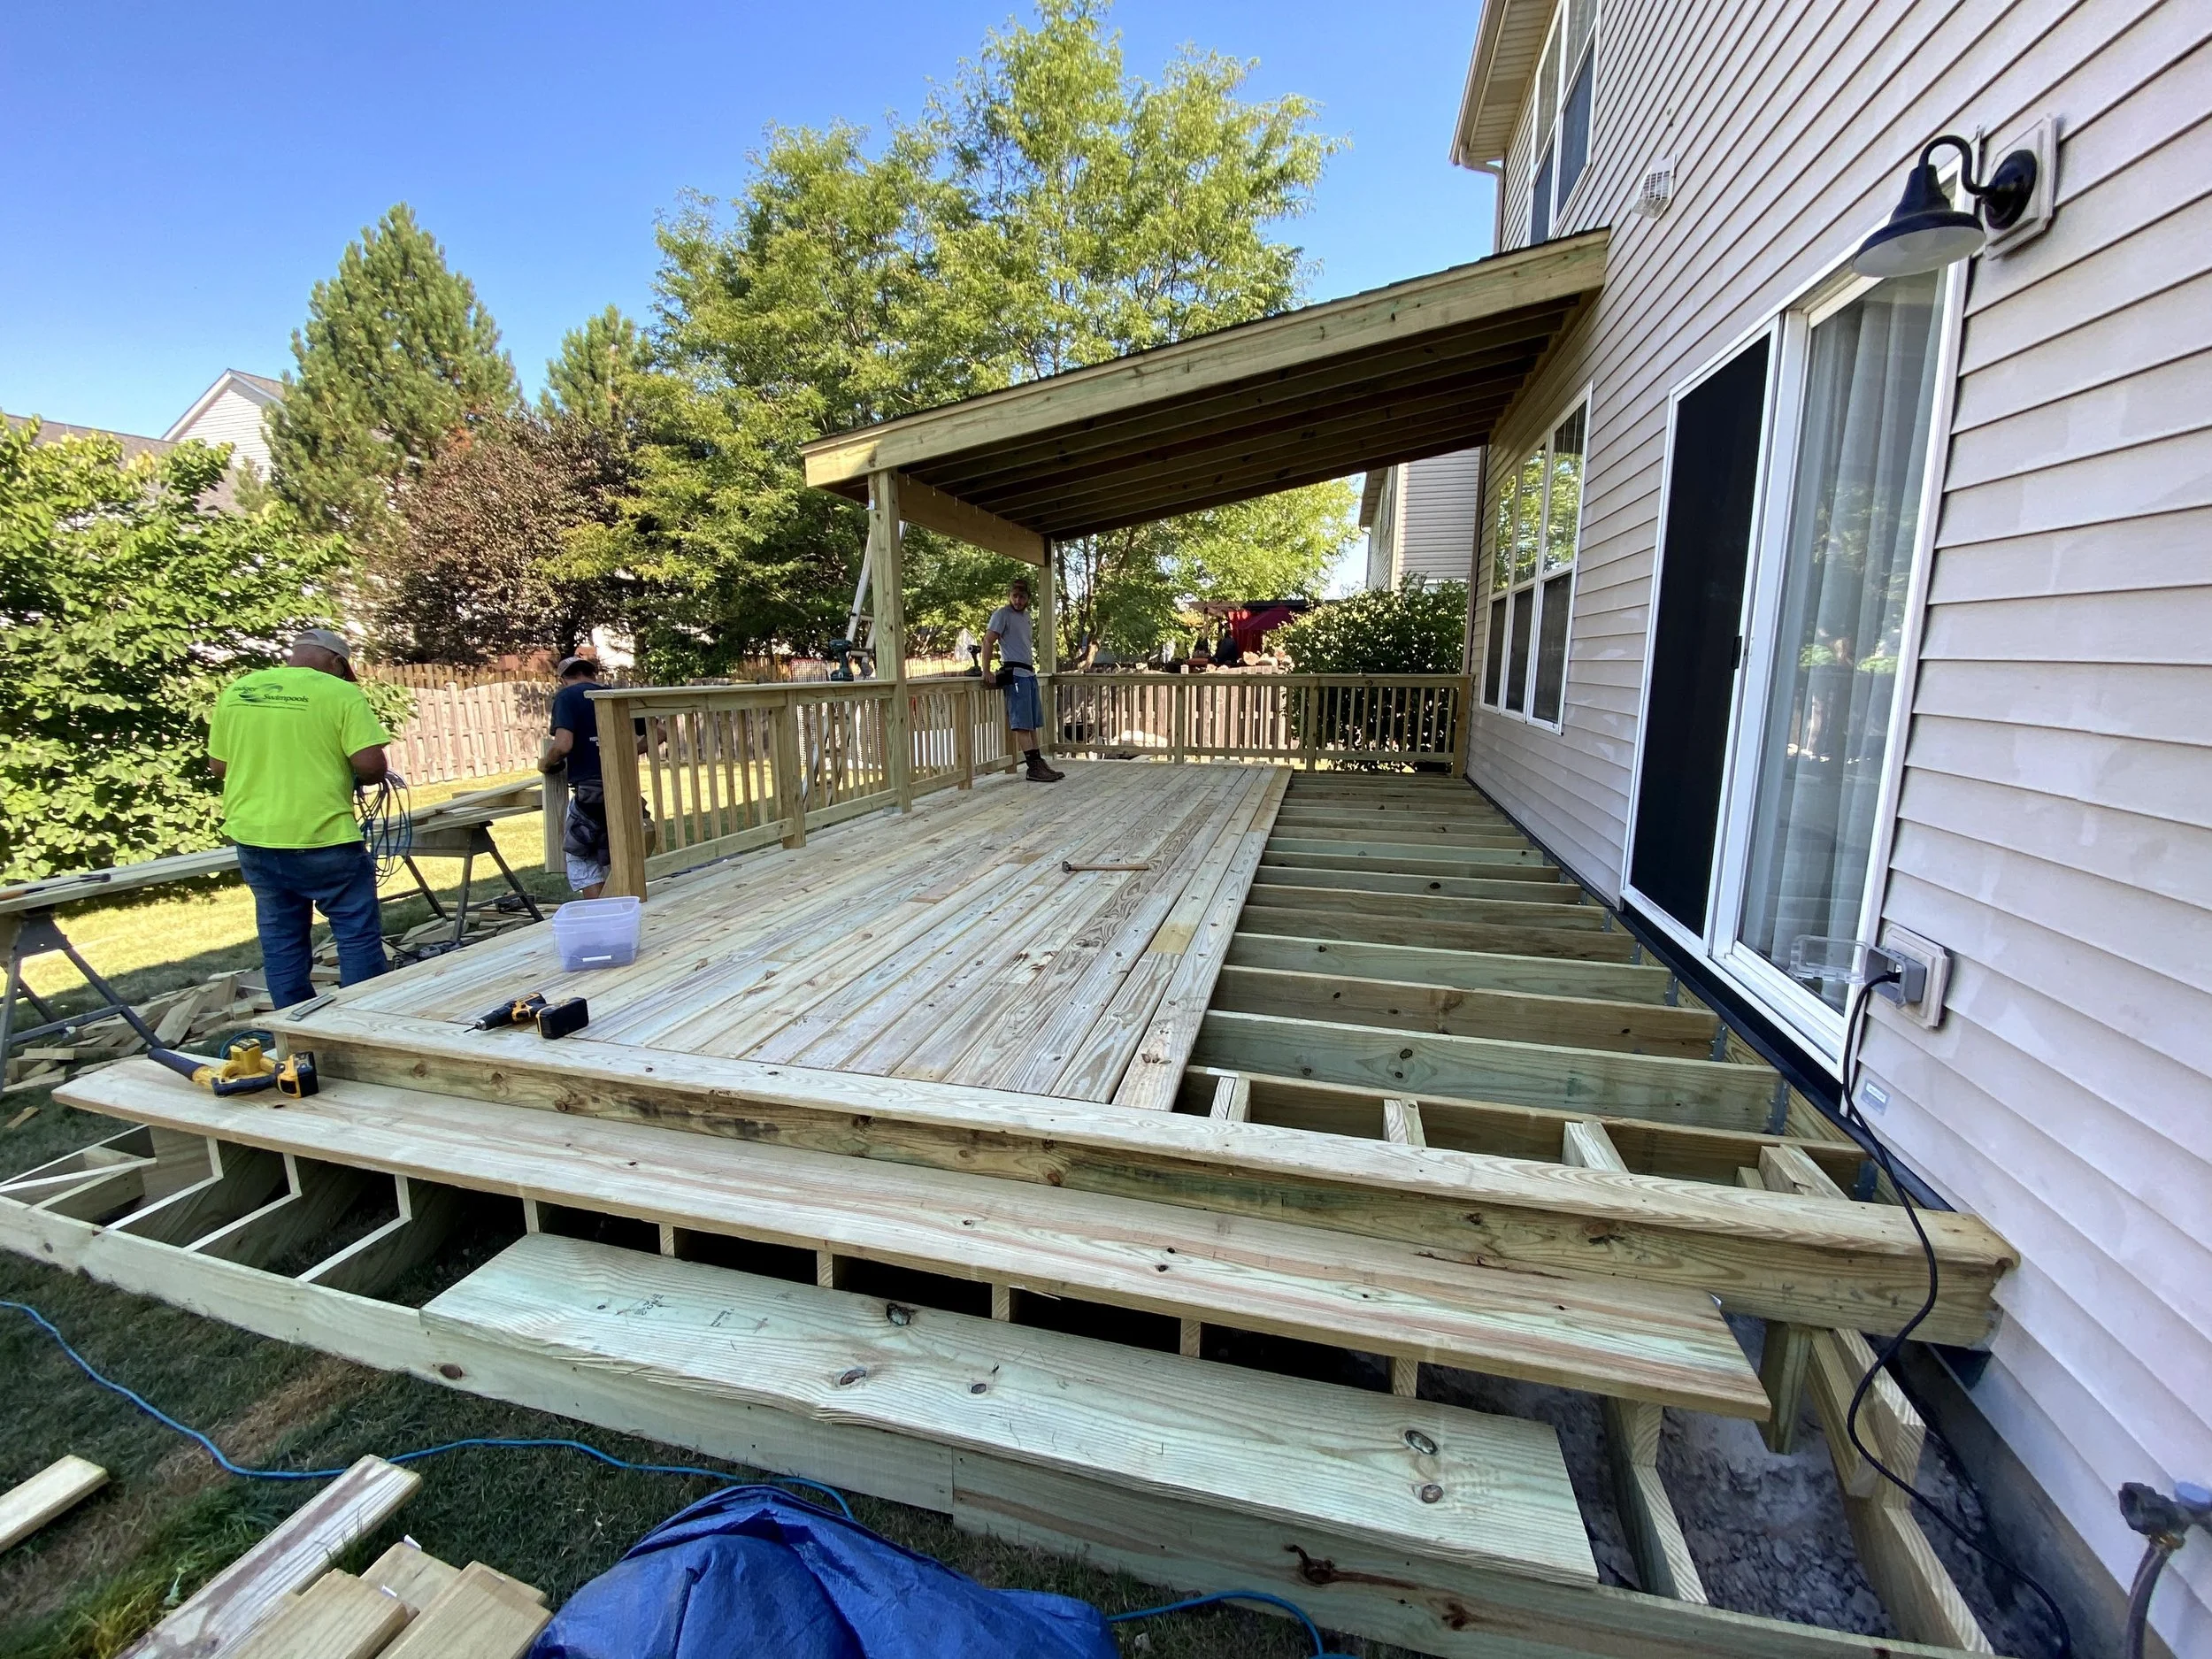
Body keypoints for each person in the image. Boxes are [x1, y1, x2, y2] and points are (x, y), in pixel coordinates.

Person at [207, 628, 393, 1010]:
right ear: (337, 662)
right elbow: (371, 767)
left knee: (281, 939)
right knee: (355, 934)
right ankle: (363, 1020)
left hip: (256, 838)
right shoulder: (340, 693)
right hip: (324, 837)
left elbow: (219, 766)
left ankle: (295, 1026)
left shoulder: (239, 690)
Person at [541, 655, 611, 896]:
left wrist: (546, 763)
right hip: (624, 789)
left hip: (591, 794)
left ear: (562, 679)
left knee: (581, 855)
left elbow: (562, 746)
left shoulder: (567, 697)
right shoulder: (613, 695)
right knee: (618, 850)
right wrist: (620, 752)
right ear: (593, 675)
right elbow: (660, 732)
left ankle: (600, 912)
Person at [981, 577, 1063, 782]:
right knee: (1022, 724)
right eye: (1015, 596)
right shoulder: (1002, 615)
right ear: (1009, 596)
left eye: (1022, 597)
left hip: (1029, 674)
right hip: (1015, 674)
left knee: (1031, 722)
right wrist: (986, 670)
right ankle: (1032, 767)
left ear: (1028, 598)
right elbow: (988, 641)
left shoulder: (1026, 617)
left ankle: (1039, 762)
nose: (1018, 600)